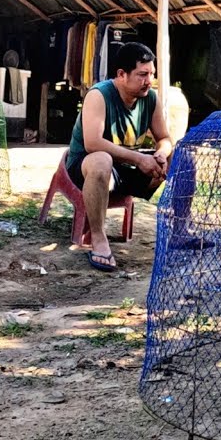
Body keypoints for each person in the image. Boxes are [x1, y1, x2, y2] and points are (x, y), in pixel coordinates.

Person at [66, 42, 172, 272]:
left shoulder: (150, 98)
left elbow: (164, 138)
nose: (149, 81)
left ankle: (182, 231)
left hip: (126, 168)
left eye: (151, 74)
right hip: (87, 168)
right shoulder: (99, 95)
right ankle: (98, 238)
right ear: (122, 75)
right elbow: (92, 143)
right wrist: (139, 160)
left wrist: (161, 154)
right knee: (102, 159)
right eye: (142, 75)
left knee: (183, 158)